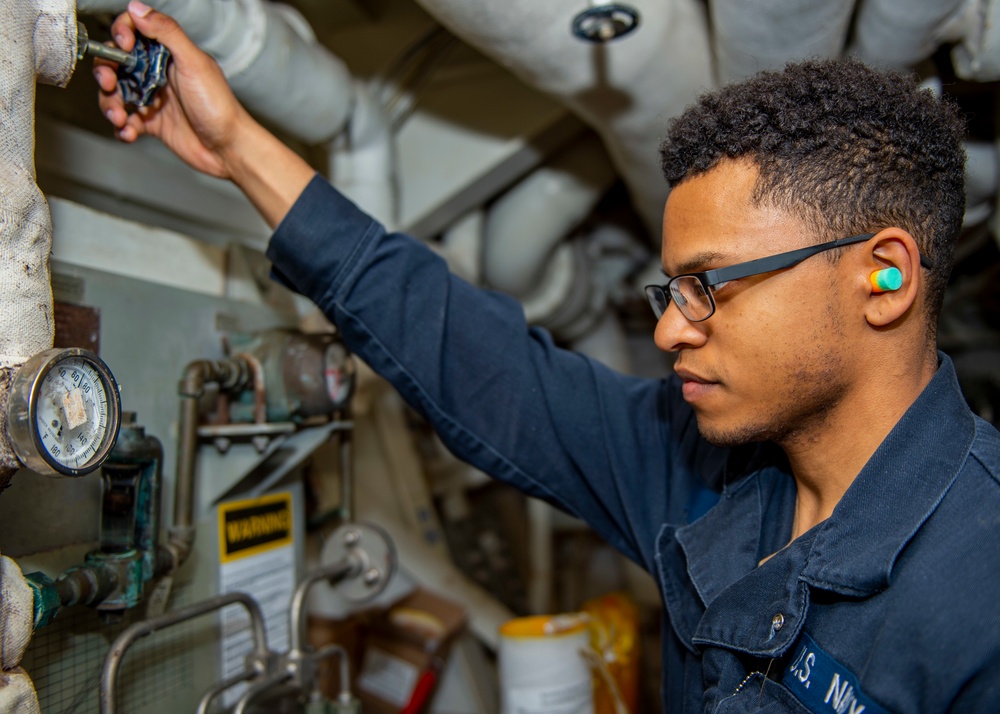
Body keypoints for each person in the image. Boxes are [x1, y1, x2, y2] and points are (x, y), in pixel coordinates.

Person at [97, 2, 1000, 711]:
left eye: (709, 285)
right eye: (669, 291)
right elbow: (485, 367)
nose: (670, 330)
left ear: (883, 278)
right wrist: (237, 146)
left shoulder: (982, 589)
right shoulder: (708, 468)